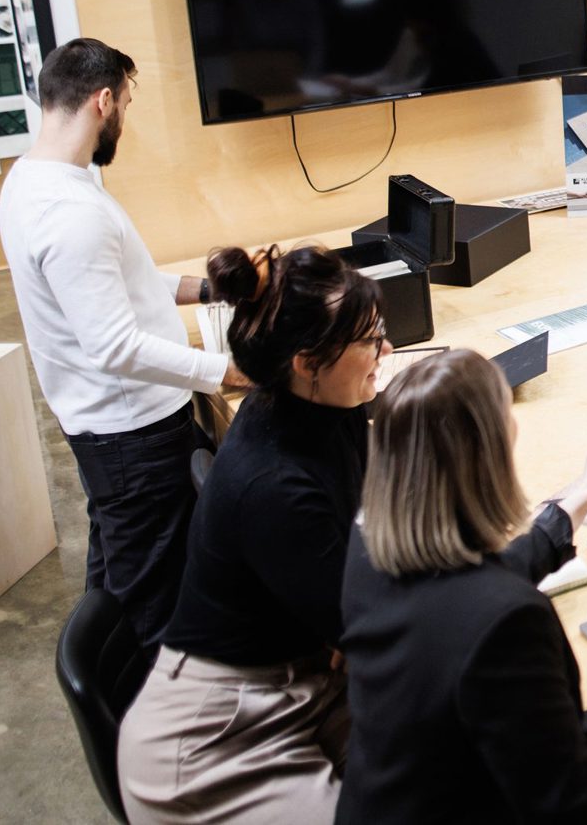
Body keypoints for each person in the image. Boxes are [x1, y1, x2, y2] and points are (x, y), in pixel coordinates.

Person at [118, 244, 388, 824]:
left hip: (297, 684)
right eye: (369, 342)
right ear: (306, 362)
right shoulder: (272, 484)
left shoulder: (321, 408)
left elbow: (362, 599)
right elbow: (374, 629)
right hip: (212, 744)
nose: (385, 352)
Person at [337, 349, 587, 824]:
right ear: (489, 455)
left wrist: (582, 495)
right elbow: (571, 806)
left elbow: (460, 591)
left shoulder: (368, 546)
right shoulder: (509, 621)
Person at [0, 37, 246, 643]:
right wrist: (229, 374)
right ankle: (150, 728)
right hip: (133, 439)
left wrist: (207, 289)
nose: (125, 123)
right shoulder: (70, 211)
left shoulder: (34, 181)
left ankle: (104, 690)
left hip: (105, 430)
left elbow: (121, 284)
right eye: (128, 105)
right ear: (103, 101)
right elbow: (116, 346)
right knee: (155, 608)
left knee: (113, 579)